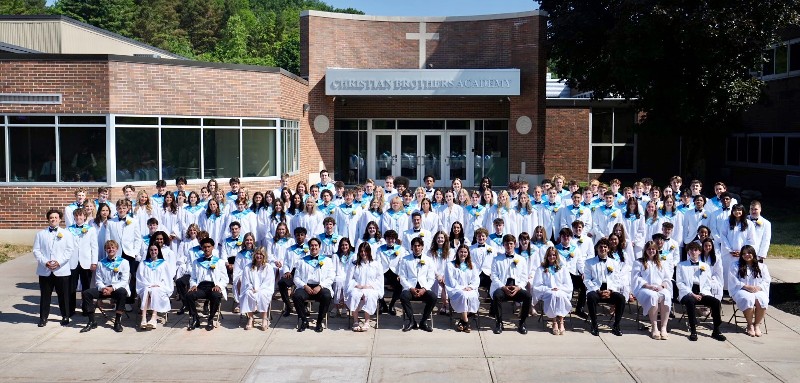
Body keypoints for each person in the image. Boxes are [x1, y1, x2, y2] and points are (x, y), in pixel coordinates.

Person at [677, 242, 727, 341]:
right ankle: (693, 330)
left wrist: (701, 294)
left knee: (716, 302)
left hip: (702, 292)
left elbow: (708, 283)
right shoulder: (681, 265)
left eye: (695, 250)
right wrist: (692, 294)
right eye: (691, 250)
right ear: (688, 252)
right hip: (688, 293)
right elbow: (680, 283)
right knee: (690, 301)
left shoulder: (705, 266)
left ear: (700, 252)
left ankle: (716, 330)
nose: (693, 252)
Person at [33, 209, 75, 327]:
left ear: (60, 219)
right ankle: (43, 317)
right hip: (45, 270)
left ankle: (65, 316)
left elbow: (69, 250)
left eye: (56, 218)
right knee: (45, 296)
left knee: (63, 295)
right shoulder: (40, 234)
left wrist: (59, 262)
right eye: (51, 218)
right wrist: (45, 262)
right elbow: (36, 250)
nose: (53, 220)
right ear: (48, 219)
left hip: (61, 270)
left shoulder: (67, 234)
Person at [80, 240, 129, 333]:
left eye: (113, 247)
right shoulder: (101, 263)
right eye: (108, 248)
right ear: (106, 250)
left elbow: (124, 281)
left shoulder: (124, 262)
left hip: (117, 288)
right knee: (87, 293)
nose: (111, 249)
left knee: (122, 292)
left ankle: (117, 322)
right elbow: (98, 280)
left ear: (117, 249)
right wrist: (103, 288)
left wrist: (112, 288)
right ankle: (91, 321)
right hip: (104, 288)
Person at [105, 199, 142, 312]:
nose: (122, 210)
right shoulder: (111, 222)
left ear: (128, 209)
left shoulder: (133, 221)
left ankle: (128, 301)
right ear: (116, 209)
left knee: (129, 277)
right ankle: (116, 301)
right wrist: (109, 252)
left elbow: (137, 239)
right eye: (119, 208)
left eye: (124, 208)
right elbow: (108, 239)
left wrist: (135, 252)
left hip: (129, 253)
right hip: (116, 253)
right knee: (115, 276)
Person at [490, 234, 532, 335]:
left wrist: (518, 288)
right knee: (496, 295)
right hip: (502, 287)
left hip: (516, 288)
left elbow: (524, 277)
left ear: (515, 244)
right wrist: (503, 287)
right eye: (506, 244)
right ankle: (499, 323)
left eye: (511, 244)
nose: (509, 246)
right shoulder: (497, 259)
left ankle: (522, 323)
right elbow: (494, 276)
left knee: (528, 296)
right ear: (503, 245)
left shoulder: (521, 259)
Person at [292, 238, 335, 333]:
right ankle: (304, 320)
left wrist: (320, 286)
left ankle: (319, 322)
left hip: (321, 287)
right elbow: (296, 278)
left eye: (316, 245)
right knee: (296, 296)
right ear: (309, 247)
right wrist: (304, 286)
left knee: (326, 296)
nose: (314, 247)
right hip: (306, 287)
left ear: (319, 247)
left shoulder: (327, 261)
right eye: (312, 245)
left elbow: (331, 277)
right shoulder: (301, 261)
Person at [584, 238, 625, 336]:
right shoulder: (589, 262)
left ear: (609, 249)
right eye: (600, 247)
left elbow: (618, 279)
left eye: (605, 247)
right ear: (597, 249)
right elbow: (586, 280)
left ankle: (616, 325)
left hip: (610, 290)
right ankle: (594, 325)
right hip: (596, 289)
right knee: (590, 297)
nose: (603, 249)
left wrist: (610, 291)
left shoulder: (614, 263)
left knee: (621, 298)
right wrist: (597, 290)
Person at [728, 245, 771, 337]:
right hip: (741, 289)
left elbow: (766, 280)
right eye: (743, 254)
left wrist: (759, 287)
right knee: (748, 299)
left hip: (758, 289)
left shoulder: (762, 266)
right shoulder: (735, 265)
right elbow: (733, 280)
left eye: (749, 253)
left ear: (753, 254)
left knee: (762, 300)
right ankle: (750, 324)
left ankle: (757, 325)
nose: (746, 255)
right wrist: (746, 286)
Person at [633, 241, 673, 340]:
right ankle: (654, 327)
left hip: (659, 287)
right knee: (653, 296)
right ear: (645, 250)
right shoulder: (639, 262)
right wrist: (648, 286)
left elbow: (667, 278)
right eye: (649, 249)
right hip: (644, 288)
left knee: (666, 295)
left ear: (656, 250)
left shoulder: (662, 262)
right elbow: (636, 278)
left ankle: (663, 327)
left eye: (653, 249)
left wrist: (663, 286)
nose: (651, 251)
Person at [186, 238, 227, 331]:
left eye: (209, 247)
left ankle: (211, 318)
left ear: (212, 247)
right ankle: (195, 318)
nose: (207, 249)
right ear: (202, 248)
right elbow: (193, 277)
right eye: (204, 247)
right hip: (201, 286)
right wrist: (193, 285)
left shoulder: (219, 262)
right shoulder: (197, 262)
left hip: (213, 286)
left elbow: (225, 278)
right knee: (189, 295)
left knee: (216, 295)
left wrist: (219, 286)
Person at [397, 237, 437, 332]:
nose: (417, 248)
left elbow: (431, 278)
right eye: (415, 246)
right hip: (410, 288)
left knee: (433, 297)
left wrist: (424, 289)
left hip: (424, 288)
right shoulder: (405, 260)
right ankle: (412, 321)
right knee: (403, 296)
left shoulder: (428, 260)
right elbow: (402, 277)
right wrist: (410, 288)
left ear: (422, 247)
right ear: (411, 247)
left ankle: (423, 322)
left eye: (419, 246)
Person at [533, 246, 573, 335]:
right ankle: (554, 321)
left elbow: (568, 285)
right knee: (553, 295)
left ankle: (561, 322)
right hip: (547, 292)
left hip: (561, 291)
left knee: (560, 295)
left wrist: (559, 288)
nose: (552, 257)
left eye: (554, 255)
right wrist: (550, 289)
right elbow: (537, 285)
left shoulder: (562, 268)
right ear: (547, 256)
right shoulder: (541, 269)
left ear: (557, 256)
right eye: (550, 255)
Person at [345, 242, 384, 332]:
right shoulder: (354, 264)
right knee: (354, 295)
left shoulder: (376, 264)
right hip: (357, 287)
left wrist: (370, 286)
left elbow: (379, 279)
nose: (363, 253)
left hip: (371, 288)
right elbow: (349, 279)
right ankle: (355, 321)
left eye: (365, 251)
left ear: (369, 252)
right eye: (361, 251)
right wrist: (356, 285)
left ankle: (367, 321)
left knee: (369, 296)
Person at [67, 208, 98, 318]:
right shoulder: (68, 229)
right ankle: (70, 309)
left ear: (85, 217)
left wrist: (94, 262)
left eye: (81, 216)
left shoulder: (91, 229)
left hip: (86, 262)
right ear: (74, 217)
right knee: (71, 287)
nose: (79, 218)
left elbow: (94, 247)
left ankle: (86, 308)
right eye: (77, 216)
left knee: (86, 287)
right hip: (72, 262)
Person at [136, 244, 173, 329]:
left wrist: (159, 285)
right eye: (151, 250)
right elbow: (140, 278)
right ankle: (144, 318)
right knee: (146, 290)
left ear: (158, 251)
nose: (153, 252)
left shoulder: (164, 264)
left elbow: (168, 280)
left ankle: (153, 317)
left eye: (155, 250)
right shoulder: (143, 264)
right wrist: (149, 285)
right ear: (149, 252)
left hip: (160, 287)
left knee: (155, 290)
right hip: (146, 285)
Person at [445, 244, 481, 333]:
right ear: (457, 253)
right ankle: (466, 322)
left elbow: (476, 279)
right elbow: (450, 280)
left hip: (470, 289)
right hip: (455, 289)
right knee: (463, 295)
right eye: (461, 252)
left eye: (465, 252)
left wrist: (470, 287)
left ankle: (462, 321)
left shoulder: (472, 265)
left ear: (468, 254)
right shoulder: (450, 265)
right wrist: (462, 288)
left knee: (473, 297)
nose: (463, 254)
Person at [239, 247, 275, 331]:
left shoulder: (268, 267)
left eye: (261, 254)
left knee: (262, 295)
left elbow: (268, 282)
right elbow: (246, 280)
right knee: (247, 293)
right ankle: (250, 318)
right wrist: (251, 288)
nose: (259, 256)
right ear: (254, 255)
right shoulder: (248, 267)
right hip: (251, 289)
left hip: (264, 289)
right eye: (257, 254)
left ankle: (264, 318)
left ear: (264, 255)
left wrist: (258, 289)